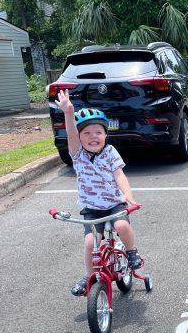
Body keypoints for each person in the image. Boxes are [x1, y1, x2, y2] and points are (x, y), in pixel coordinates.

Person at [55, 89, 143, 295]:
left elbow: (120, 175)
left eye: (98, 132)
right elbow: (70, 133)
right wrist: (69, 112)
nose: (92, 136)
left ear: (105, 134)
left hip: (114, 203)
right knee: (89, 242)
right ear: (80, 137)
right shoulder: (77, 155)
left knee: (121, 224)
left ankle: (131, 253)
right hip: (92, 209)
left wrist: (128, 196)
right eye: (86, 133)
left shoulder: (111, 152)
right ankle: (89, 275)